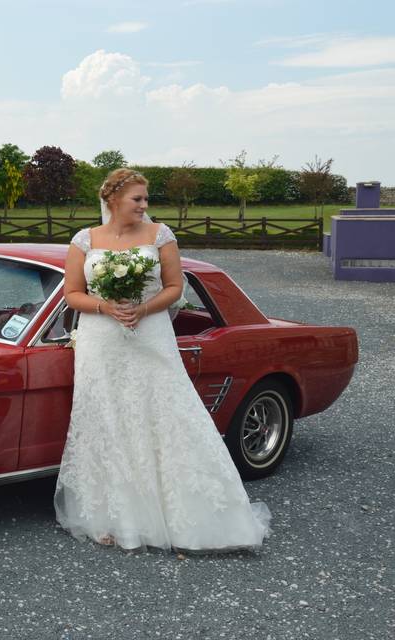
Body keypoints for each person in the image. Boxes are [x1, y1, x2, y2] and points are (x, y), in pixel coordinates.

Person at [54, 168, 271, 552]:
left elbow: (175, 287)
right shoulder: (85, 240)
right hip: (100, 341)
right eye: (137, 199)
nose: (144, 206)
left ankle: (182, 515)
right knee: (105, 419)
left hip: (150, 334)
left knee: (167, 413)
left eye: (145, 199)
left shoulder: (161, 235)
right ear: (113, 199)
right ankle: (110, 516)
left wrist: (144, 307)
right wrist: (106, 306)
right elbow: (73, 293)